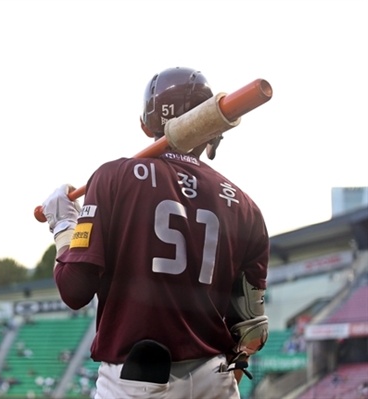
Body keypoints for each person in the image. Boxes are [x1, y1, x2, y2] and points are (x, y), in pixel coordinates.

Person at [40, 67, 270, 399]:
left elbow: (73, 289)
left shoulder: (112, 178)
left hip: (136, 380)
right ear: (213, 128)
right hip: (215, 380)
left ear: (146, 124)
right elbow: (251, 328)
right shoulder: (246, 205)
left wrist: (63, 225)